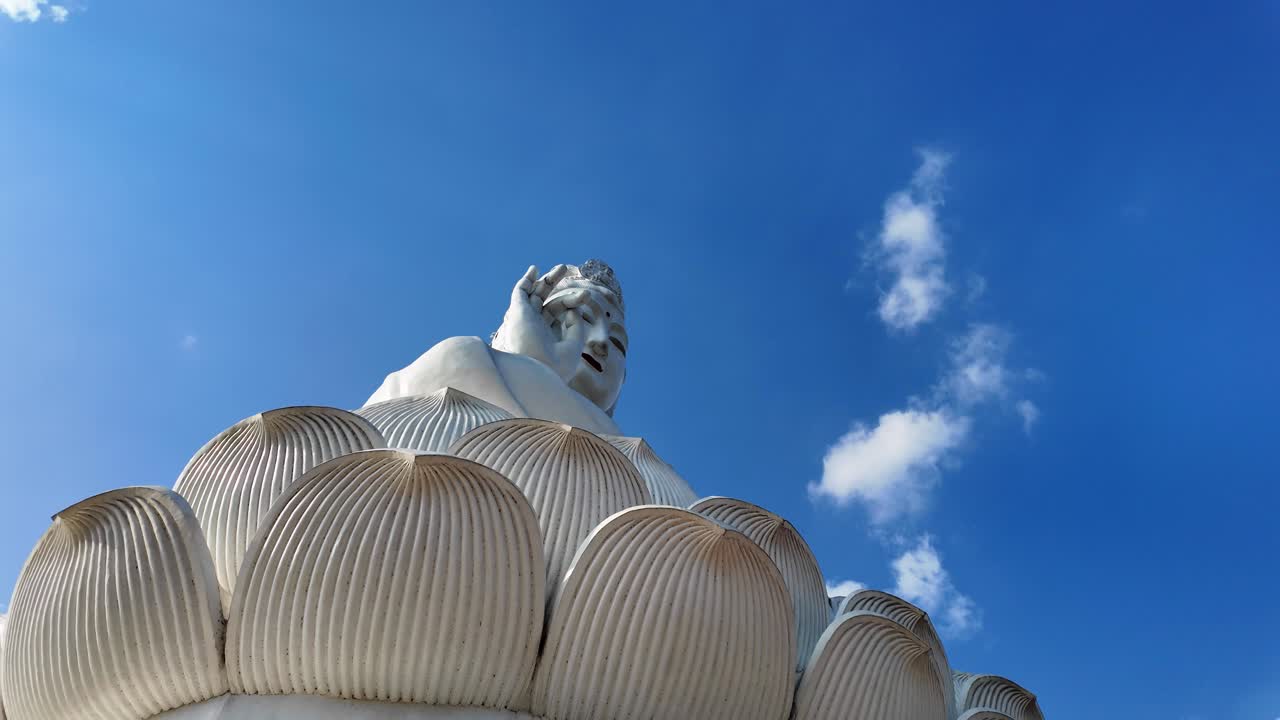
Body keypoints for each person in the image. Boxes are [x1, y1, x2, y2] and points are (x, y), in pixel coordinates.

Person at [365, 260, 628, 435]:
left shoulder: (635, 462)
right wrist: (530, 364)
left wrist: (533, 379)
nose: (601, 342)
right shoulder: (466, 358)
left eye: (618, 343)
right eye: (583, 317)